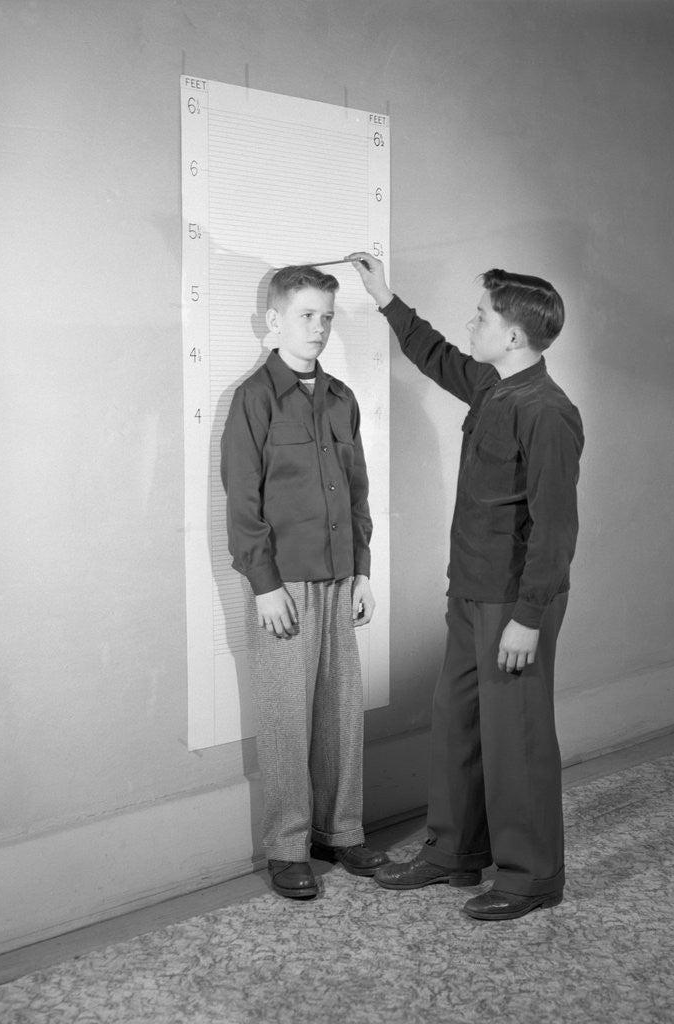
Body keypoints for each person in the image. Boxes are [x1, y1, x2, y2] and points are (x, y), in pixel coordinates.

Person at [348, 251, 584, 921]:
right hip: (470, 593)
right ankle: (454, 852)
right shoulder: (493, 385)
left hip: (514, 602)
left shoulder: (545, 411)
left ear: (513, 335)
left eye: (481, 316)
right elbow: (437, 355)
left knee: (517, 739)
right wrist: (385, 298)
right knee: (457, 724)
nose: (471, 323)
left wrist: (529, 617)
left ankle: (531, 875)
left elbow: (555, 526)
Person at [220, 264, 388, 899]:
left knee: (342, 711)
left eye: (325, 316)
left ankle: (341, 831)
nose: (317, 328)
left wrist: (363, 571)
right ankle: (288, 846)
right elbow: (243, 501)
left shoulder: (342, 398)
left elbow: (359, 492)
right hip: (284, 585)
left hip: (342, 577)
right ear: (274, 321)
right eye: (305, 316)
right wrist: (264, 584)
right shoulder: (254, 398)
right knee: (288, 712)